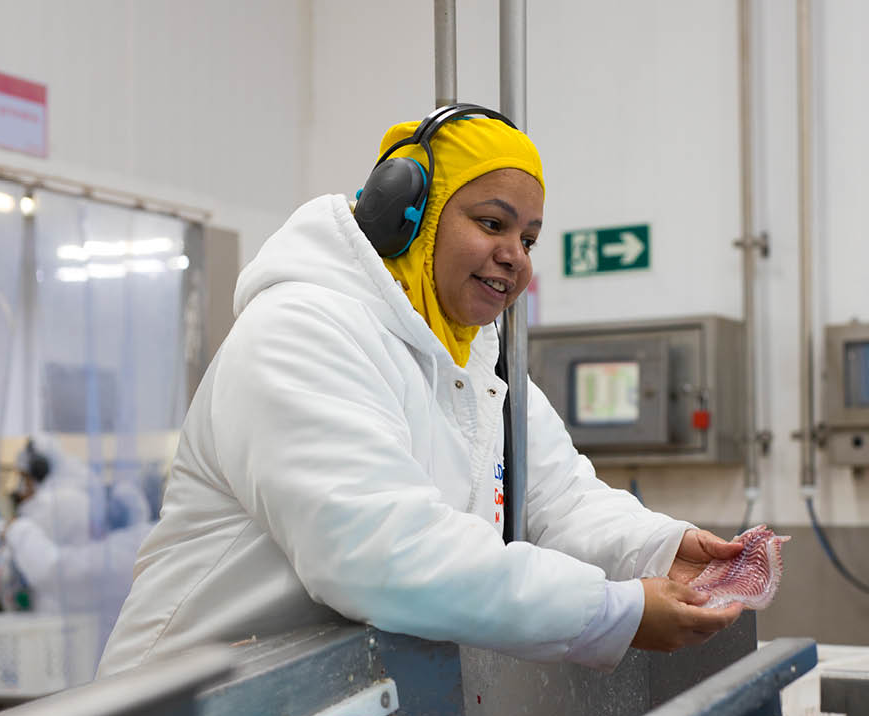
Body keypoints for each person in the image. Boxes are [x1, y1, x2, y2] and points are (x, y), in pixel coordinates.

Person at [97, 104, 743, 678]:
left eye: (528, 239)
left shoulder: (480, 371)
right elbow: (382, 553)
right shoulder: (301, 332)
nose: (515, 255)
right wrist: (616, 610)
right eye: (493, 223)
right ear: (406, 216)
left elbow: (560, 499)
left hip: (315, 708)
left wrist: (665, 547)